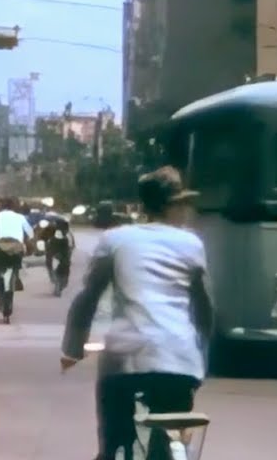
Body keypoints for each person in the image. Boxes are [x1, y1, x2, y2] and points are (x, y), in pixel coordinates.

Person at [60, 166, 215, 460]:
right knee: (170, 432)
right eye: (182, 205)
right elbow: (203, 307)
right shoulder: (192, 244)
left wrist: (73, 347)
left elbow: (88, 297)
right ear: (172, 207)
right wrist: (203, 355)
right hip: (179, 357)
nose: (185, 212)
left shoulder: (116, 239)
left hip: (125, 356)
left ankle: (115, 450)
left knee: (114, 442)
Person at [0, 197, 33, 310]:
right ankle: (16, 279)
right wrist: (24, 240)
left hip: (0, 249)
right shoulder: (20, 217)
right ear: (14, 207)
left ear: (0, 207)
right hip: (16, 250)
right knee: (15, 266)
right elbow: (30, 233)